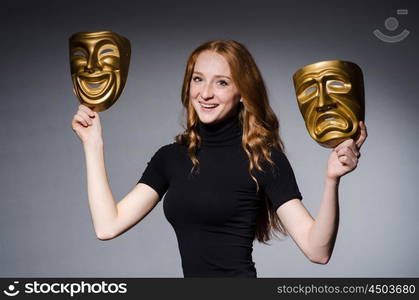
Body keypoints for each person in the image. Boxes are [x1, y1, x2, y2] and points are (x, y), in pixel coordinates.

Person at [71, 40, 368, 277]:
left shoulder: (264, 159)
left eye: (222, 82)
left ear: (243, 92)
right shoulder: (170, 158)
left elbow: (318, 251)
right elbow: (107, 226)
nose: (206, 93)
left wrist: (332, 179)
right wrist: (92, 144)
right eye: (198, 79)